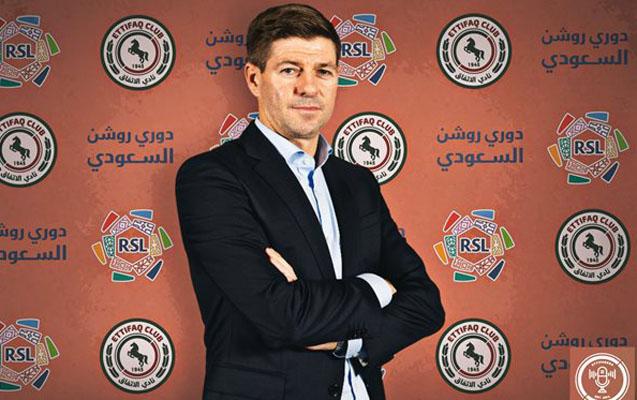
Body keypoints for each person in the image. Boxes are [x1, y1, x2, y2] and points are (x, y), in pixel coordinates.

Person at [175, 4, 445, 400]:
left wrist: (348, 341)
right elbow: (282, 317)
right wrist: (378, 287)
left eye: (323, 71)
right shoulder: (212, 177)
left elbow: (425, 304)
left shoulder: (356, 183)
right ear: (254, 78)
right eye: (290, 70)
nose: (309, 87)